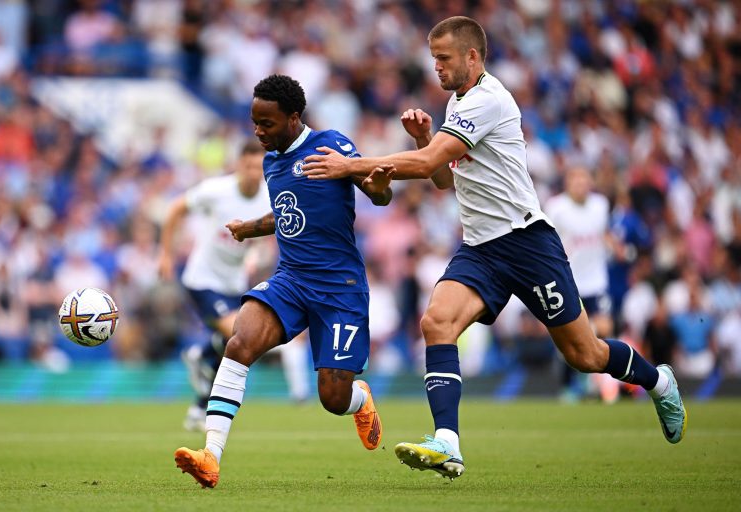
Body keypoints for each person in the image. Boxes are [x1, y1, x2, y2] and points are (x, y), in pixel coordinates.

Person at [302, 16, 687, 480]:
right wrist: (425, 139)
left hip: (527, 243)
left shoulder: (487, 99)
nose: (436, 68)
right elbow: (444, 177)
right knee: (436, 321)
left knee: (585, 356)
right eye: (433, 59)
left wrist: (351, 166)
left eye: (443, 59)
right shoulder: (458, 101)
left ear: (472, 56)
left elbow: (427, 166)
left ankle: (659, 381)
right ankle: (448, 442)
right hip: (481, 247)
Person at [174, 74, 394, 488]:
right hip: (291, 279)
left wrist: (379, 187)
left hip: (339, 288)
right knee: (239, 342)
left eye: (267, 123)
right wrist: (248, 227)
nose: (258, 132)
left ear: (294, 118)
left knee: (333, 397)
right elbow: (289, 215)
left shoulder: (331, 144)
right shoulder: (273, 161)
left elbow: (376, 192)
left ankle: (360, 400)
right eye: (254, 122)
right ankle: (210, 455)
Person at [158, 140, 310, 432]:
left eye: (259, 166)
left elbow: (267, 235)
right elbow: (177, 207)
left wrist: (253, 256)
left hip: (234, 281)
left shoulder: (269, 196)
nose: (255, 172)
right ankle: (202, 354)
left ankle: (199, 404)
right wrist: (165, 253)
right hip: (202, 279)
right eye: (249, 166)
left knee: (234, 342)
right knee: (240, 333)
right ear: (239, 165)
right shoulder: (216, 190)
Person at [545, 165, 614, 402]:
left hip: (596, 281)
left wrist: (617, 247)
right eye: (576, 180)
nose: (581, 185)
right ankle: (568, 387)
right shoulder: (556, 207)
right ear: (568, 184)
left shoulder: (601, 205)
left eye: (585, 180)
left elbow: (604, 234)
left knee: (603, 329)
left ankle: (595, 382)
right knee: (569, 338)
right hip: (569, 281)